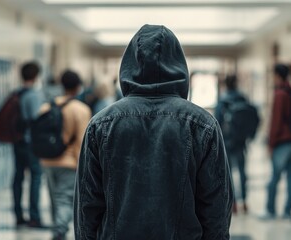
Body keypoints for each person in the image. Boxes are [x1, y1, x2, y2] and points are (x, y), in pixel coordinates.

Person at [74, 24, 233, 239]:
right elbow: (217, 207)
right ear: (179, 66)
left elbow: (87, 205)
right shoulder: (202, 124)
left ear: (128, 66)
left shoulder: (101, 124)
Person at [40, 70, 91, 240]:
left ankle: (58, 228)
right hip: (69, 163)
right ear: (78, 87)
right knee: (64, 198)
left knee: (55, 198)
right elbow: (82, 142)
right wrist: (83, 166)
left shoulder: (47, 106)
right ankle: (59, 232)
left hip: (47, 161)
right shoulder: (81, 110)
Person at [265, 64, 291, 219]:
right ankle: (288, 211)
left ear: (278, 75)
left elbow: (276, 121)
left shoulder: (280, 94)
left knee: (274, 178)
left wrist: (271, 143)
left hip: (282, 142)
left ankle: (271, 210)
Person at [13, 61, 44, 227]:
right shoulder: (34, 95)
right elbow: (36, 118)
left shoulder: (16, 93)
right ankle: (34, 216)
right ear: (36, 76)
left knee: (18, 177)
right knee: (35, 177)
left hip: (18, 141)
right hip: (30, 142)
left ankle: (18, 214)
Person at [214, 75, 250, 214]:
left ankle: (233, 203)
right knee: (242, 171)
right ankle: (245, 202)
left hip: (228, 142)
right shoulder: (243, 98)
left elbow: (217, 121)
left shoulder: (223, 100)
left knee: (229, 172)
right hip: (241, 142)